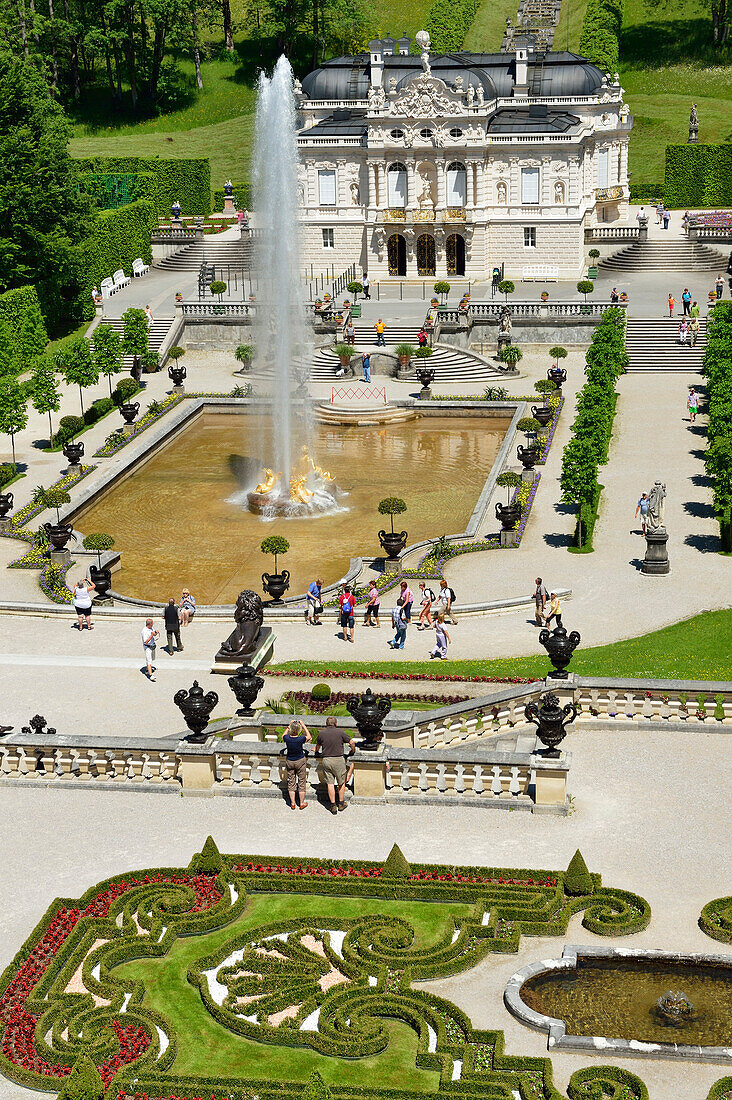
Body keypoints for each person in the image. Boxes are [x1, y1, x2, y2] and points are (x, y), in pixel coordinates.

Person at [315, 715, 355, 813]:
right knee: (341, 783)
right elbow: (352, 743)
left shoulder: (322, 733)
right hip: (338, 759)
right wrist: (352, 751)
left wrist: (316, 752)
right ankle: (341, 803)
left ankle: (333, 805)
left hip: (327, 760)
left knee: (330, 783)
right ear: (336, 724)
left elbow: (317, 746)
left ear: (326, 724)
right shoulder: (340, 732)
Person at [283, 718, 311, 810]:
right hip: (300, 760)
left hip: (290, 761)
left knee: (291, 782)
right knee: (301, 782)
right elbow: (309, 737)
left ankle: (293, 803)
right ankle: (302, 803)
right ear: (298, 730)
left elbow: (283, 735)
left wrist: (289, 725)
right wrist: (303, 726)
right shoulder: (300, 739)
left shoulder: (287, 738)